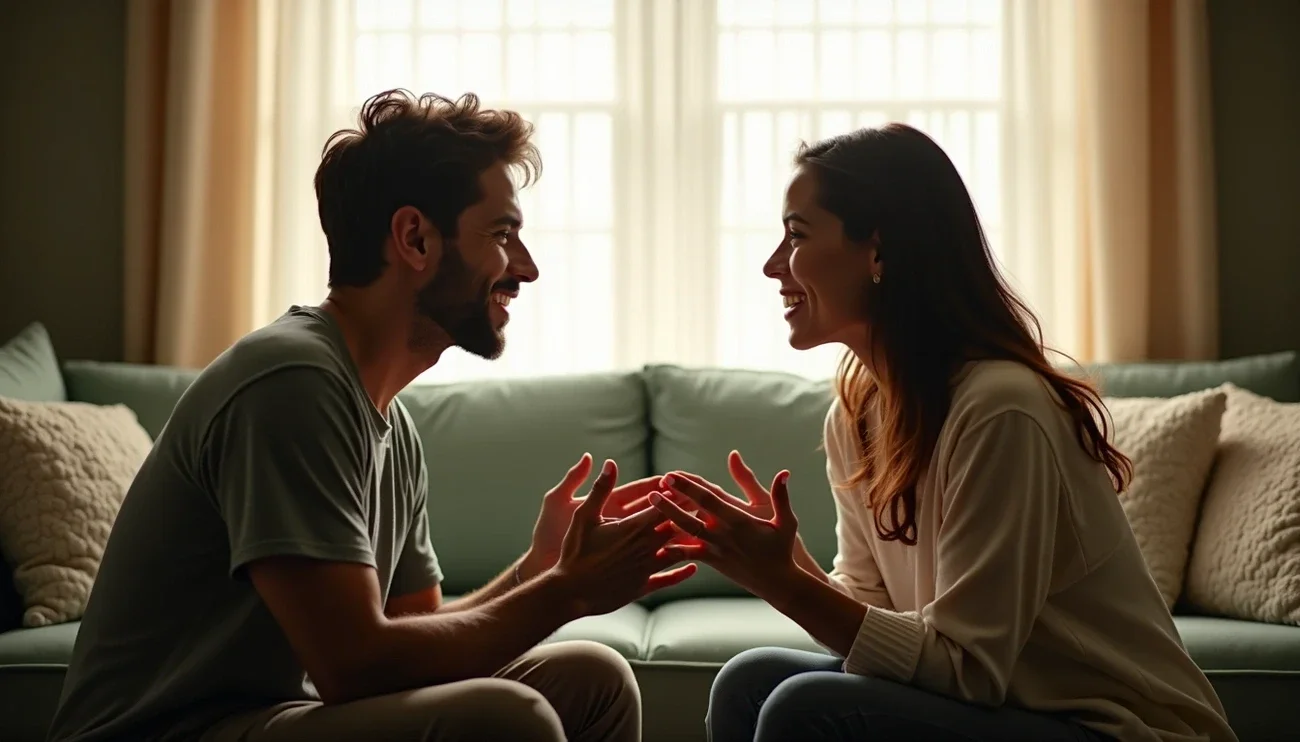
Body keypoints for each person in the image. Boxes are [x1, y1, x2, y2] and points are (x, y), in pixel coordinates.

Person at [46, 89, 695, 742]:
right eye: (501, 234)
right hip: (174, 730)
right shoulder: (292, 382)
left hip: (275, 718)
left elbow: (414, 644)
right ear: (414, 238)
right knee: (508, 718)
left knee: (593, 677)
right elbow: (354, 666)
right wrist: (568, 593)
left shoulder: (389, 421)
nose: (525, 268)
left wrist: (541, 571)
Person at [648, 124, 1239, 742]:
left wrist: (785, 584)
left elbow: (967, 668)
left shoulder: (1001, 410)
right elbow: (881, 619)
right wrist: (788, 570)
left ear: (878, 251)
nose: (774, 265)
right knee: (749, 680)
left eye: (796, 235)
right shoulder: (857, 412)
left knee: (805, 706)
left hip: (1114, 727)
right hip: (1008, 710)